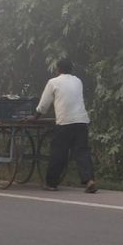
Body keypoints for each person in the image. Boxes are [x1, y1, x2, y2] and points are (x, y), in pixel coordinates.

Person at [27, 58, 97, 193]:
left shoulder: (53, 82)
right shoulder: (78, 81)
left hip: (64, 122)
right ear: (71, 69)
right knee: (82, 152)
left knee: (58, 153)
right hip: (81, 121)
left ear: (58, 69)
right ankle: (90, 181)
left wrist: (35, 117)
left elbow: (44, 104)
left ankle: (51, 184)